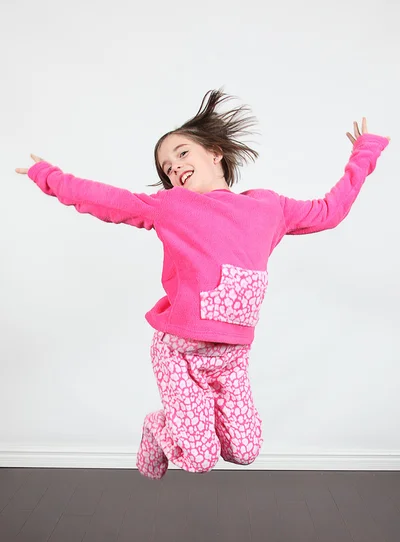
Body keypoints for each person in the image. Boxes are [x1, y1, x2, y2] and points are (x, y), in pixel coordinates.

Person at [16, 88, 390, 480]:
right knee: (198, 459)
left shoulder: (269, 207)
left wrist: (363, 155)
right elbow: (108, 201)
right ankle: (155, 427)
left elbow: (329, 212)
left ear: (215, 153)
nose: (174, 168)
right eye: (166, 168)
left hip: (232, 358)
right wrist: (51, 178)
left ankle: (188, 416)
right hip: (178, 352)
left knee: (244, 451)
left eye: (181, 153)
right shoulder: (172, 207)